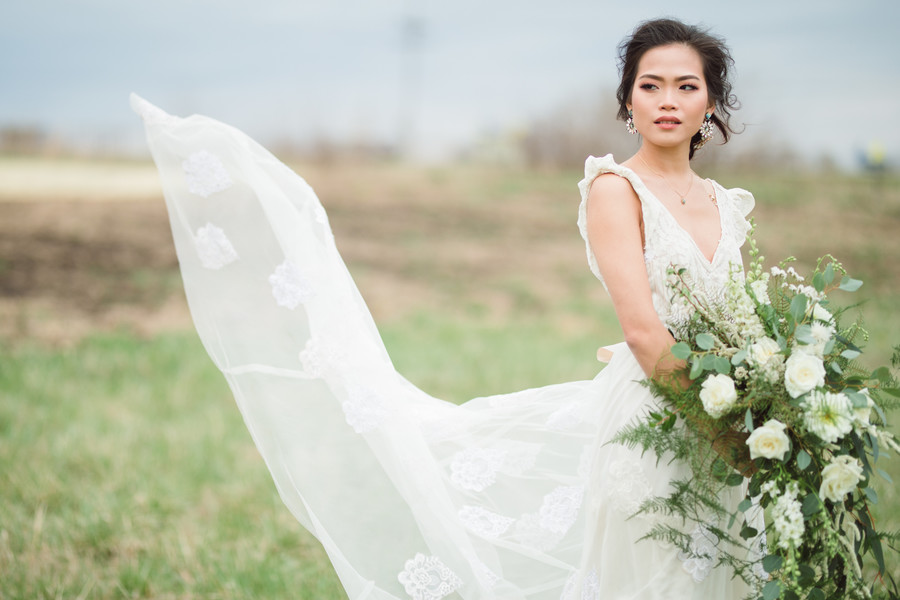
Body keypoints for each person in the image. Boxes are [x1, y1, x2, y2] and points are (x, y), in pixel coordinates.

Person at [133, 17, 761, 600]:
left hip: (732, 416)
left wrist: (766, 409)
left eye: (686, 86)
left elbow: (743, 322)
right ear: (628, 103)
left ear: (711, 102)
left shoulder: (724, 201)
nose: (668, 100)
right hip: (660, 419)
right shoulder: (615, 190)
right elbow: (643, 331)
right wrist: (729, 435)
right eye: (650, 86)